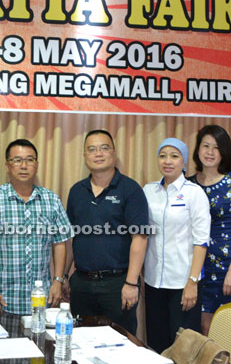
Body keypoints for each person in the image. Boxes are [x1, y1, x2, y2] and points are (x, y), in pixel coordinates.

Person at [0, 139, 72, 316]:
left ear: (37, 165)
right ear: (7, 165)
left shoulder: (51, 200)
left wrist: (57, 282)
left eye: (29, 160)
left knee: (40, 343)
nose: (24, 166)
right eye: (17, 160)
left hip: (41, 299)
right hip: (3, 299)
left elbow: (60, 242)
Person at [65, 129, 149, 335]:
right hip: (82, 285)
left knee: (121, 345)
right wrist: (65, 277)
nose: (98, 153)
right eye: (91, 149)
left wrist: (131, 282)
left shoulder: (130, 190)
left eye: (104, 148)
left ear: (114, 153)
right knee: (82, 344)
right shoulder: (77, 191)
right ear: (85, 156)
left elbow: (140, 238)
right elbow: (70, 238)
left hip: (118, 285)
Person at [143, 138, 211, 353]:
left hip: (183, 283)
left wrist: (192, 282)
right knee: (157, 343)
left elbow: (201, 241)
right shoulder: (148, 191)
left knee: (184, 349)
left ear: (184, 162)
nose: (168, 161)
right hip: (154, 281)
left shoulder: (195, 193)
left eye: (174, 156)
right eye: (163, 155)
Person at [187, 124, 231, 335]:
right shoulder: (187, 185)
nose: (210, 152)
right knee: (203, 329)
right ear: (198, 149)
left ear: (224, 151)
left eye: (216, 147)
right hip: (199, 268)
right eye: (205, 146)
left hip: (229, 266)